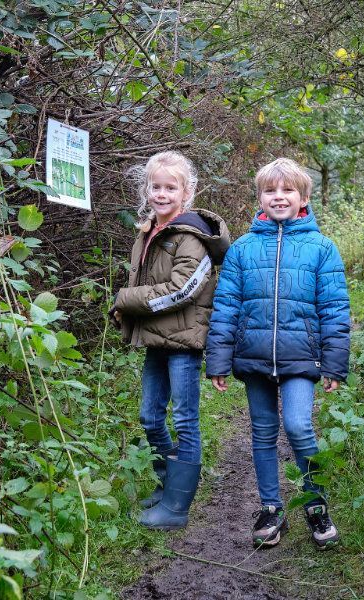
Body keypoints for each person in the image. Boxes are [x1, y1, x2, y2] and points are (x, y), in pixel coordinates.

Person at [205, 157, 350, 550]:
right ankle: (272, 507)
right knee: (264, 432)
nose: (279, 197)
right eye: (271, 191)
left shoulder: (321, 248)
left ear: (303, 197)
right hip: (253, 357)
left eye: (287, 190)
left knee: (300, 426)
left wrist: (335, 362)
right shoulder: (242, 249)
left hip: (301, 357)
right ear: (260, 198)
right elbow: (226, 306)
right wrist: (217, 358)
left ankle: (315, 503)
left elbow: (335, 310)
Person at [111, 151, 230, 530]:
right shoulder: (149, 231)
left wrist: (125, 301)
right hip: (156, 340)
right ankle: (167, 485)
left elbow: (181, 291)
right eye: (155, 186)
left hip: (184, 342)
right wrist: (127, 309)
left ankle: (177, 508)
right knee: (149, 417)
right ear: (147, 189)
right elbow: (143, 282)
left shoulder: (190, 236)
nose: (161, 194)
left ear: (187, 191)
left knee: (184, 418)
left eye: (170, 187)